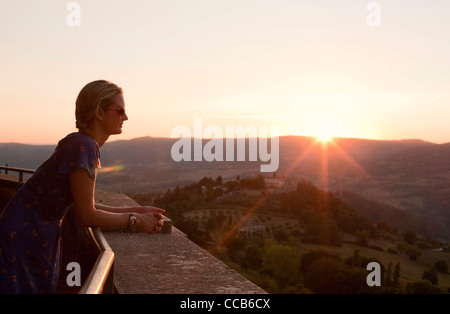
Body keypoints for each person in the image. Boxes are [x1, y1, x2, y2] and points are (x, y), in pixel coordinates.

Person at [0, 80, 165, 294]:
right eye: (120, 110)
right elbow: (87, 216)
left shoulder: (80, 143)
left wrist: (137, 210)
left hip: (30, 228)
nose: (125, 117)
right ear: (99, 112)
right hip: (27, 233)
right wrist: (135, 220)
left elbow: (86, 205)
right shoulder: (83, 146)